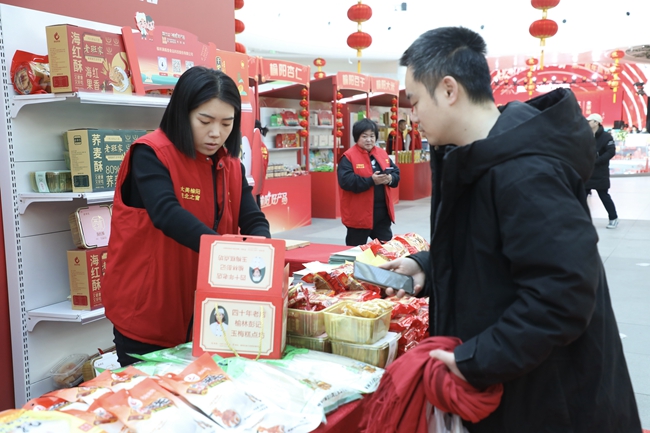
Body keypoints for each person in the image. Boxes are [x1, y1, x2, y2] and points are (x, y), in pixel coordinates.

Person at [381, 27, 640, 431]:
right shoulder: (479, 159)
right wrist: (428, 268)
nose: (413, 116)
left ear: (449, 90)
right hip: (516, 392)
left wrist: (476, 360)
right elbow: (497, 254)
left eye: (414, 101)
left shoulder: (525, 171)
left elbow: (563, 294)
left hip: (552, 403)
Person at [103, 67, 271, 366]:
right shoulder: (150, 153)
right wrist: (228, 254)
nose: (216, 133)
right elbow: (167, 213)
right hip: (150, 310)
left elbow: (253, 216)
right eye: (205, 121)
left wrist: (262, 255)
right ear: (182, 114)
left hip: (209, 315)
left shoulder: (230, 165)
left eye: (226, 123)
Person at [338, 118, 400, 246]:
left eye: (372, 136)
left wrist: (390, 179)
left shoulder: (382, 154)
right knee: (354, 253)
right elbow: (346, 181)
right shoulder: (348, 157)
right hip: (359, 216)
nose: (369, 140)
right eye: (364, 136)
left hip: (382, 214)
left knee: (387, 250)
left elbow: (396, 172)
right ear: (357, 137)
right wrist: (371, 181)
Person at [585, 113, 619, 229]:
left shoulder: (606, 137)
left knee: (604, 195)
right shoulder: (585, 135)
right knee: (581, 197)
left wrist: (598, 160)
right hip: (587, 171)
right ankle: (579, 220)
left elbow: (611, 152)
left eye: (590, 121)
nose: (587, 123)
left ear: (596, 122)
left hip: (600, 172)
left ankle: (613, 218)